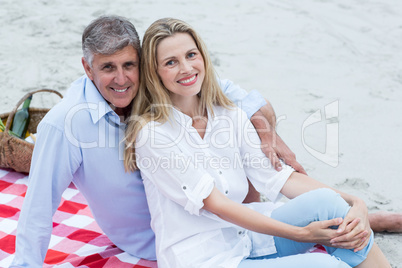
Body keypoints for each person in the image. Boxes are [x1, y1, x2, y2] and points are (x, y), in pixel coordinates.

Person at [9, 15, 299, 267]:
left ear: (142, 63)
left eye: (129, 65)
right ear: (88, 68)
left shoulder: (152, 83)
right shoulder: (64, 124)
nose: (121, 79)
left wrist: (264, 127)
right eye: (108, 67)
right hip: (160, 244)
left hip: (222, 219)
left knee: (232, 134)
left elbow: (230, 93)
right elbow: (38, 206)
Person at [124, 18, 391, 267]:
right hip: (206, 257)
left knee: (327, 203)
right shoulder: (153, 133)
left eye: (191, 55)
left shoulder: (229, 115)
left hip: (245, 238)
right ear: (155, 72)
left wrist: (355, 201)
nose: (186, 68)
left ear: (202, 56)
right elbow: (217, 205)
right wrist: (301, 234)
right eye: (171, 62)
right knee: (324, 264)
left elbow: (280, 179)